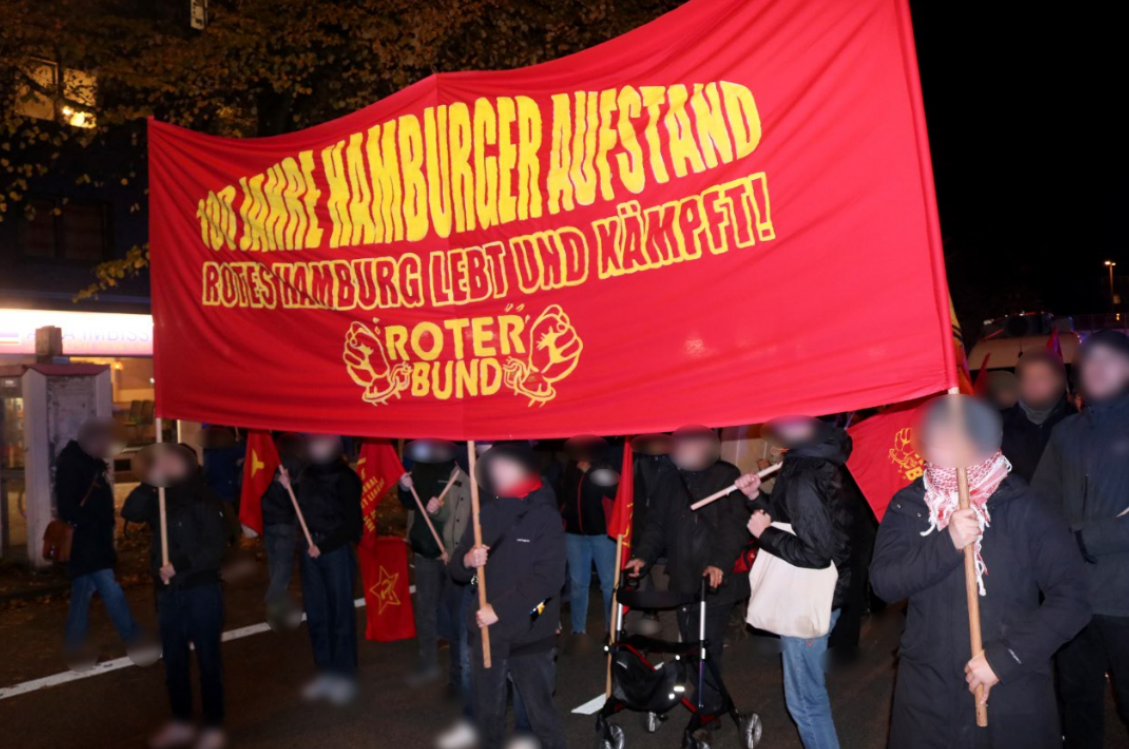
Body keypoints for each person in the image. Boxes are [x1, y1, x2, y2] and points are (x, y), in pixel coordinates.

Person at [872, 395, 1091, 749]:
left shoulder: (1024, 505)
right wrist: (947, 543)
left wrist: (1005, 659)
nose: (942, 437)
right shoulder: (909, 504)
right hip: (928, 692)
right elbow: (884, 583)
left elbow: (1073, 598)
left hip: (1011, 688)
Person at [1031, 329, 1129, 748]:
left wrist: (1083, 538)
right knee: (1077, 701)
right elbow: (1040, 503)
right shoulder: (1066, 433)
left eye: (1112, 359)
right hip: (1072, 598)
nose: (1099, 368)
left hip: (1125, 601)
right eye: (1090, 361)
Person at [736, 417, 852, 749]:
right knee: (810, 696)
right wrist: (756, 495)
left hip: (808, 598)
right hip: (822, 593)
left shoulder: (805, 473)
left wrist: (764, 534)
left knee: (806, 703)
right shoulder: (813, 461)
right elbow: (789, 518)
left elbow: (815, 552)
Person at [625, 426, 749, 717]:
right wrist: (642, 556)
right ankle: (700, 691)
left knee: (707, 645)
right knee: (690, 640)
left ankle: (710, 710)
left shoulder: (726, 476)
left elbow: (733, 527)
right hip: (682, 576)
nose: (678, 450)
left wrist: (719, 562)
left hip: (715, 579)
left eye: (685, 445)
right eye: (677, 445)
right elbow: (656, 524)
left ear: (705, 447)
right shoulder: (669, 478)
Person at [449, 442, 566, 749]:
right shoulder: (484, 511)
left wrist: (498, 610)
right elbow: (457, 568)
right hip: (487, 634)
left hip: (530, 632)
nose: (498, 471)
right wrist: (467, 561)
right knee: (488, 717)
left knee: (541, 716)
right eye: (494, 466)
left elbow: (549, 577)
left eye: (506, 465)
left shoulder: (545, 514)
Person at [122, 444, 232, 749]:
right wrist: (148, 482)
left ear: (190, 465)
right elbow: (129, 512)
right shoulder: (159, 495)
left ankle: (213, 724)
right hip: (169, 594)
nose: (167, 465)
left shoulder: (205, 497)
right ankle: (181, 720)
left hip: (201, 591)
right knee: (174, 660)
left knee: (208, 659)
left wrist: (180, 565)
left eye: (174, 461)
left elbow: (216, 547)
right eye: (164, 461)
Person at [281, 434, 363, 706]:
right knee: (317, 611)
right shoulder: (305, 474)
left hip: (334, 551)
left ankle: (344, 672)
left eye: (322, 443)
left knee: (340, 611)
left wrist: (325, 546)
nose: (317, 447)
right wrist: (287, 486)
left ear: (335, 446)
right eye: (314, 443)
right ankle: (324, 669)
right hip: (309, 547)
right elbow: (299, 510)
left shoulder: (347, 478)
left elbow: (353, 525)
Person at [57, 418, 142, 665]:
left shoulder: (86, 461)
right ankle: (134, 639)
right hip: (87, 542)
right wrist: (96, 522)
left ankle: (75, 648)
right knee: (111, 590)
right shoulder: (74, 464)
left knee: (83, 594)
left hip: (93, 541)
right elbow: (68, 508)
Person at [398, 447, 461, 686]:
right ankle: (428, 659)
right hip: (425, 547)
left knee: (457, 606)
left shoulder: (460, 469)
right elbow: (408, 502)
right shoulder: (418, 467)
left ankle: (460, 663)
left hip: (453, 552)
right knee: (425, 606)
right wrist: (404, 487)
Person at [560, 446, 618, 653]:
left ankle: (612, 629)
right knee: (577, 584)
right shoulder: (570, 465)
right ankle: (578, 630)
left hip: (602, 532)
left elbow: (616, 490)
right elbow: (564, 494)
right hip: (574, 532)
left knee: (609, 583)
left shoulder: (606, 462)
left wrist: (592, 473)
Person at [999, 350, 1074, 482]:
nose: (1032, 385)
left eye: (1041, 378)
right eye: (1026, 378)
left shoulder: (1076, 424)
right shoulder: (1000, 426)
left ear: (1058, 381)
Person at [260, 432, 303, 610]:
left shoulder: (262, 461)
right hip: (285, 518)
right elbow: (301, 489)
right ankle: (273, 597)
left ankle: (277, 597)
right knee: (284, 562)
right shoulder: (293, 462)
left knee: (274, 559)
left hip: (267, 518)